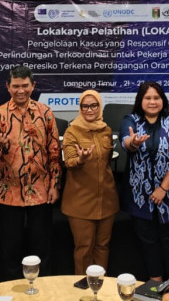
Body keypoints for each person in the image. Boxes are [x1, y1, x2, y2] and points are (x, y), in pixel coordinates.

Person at [0, 65, 62, 280]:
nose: (21, 90)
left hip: (40, 191)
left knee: (42, 247)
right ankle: (12, 289)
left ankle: (43, 289)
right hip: (9, 192)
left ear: (33, 86)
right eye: (16, 86)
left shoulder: (45, 112)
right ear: (8, 87)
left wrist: (55, 185)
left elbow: (54, 152)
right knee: (10, 248)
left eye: (25, 86)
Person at [119, 81, 169, 282]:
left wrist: (163, 188)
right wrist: (133, 142)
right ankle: (155, 283)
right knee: (148, 241)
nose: (152, 102)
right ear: (140, 101)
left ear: (162, 100)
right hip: (140, 196)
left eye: (156, 98)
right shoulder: (130, 120)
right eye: (147, 98)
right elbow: (125, 142)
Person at [61, 89, 120, 275]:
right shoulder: (72, 131)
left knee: (103, 247)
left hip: (107, 200)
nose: (89, 109)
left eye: (93, 105)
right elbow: (69, 161)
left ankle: (100, 286)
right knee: (84, 249)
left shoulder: (106, 130)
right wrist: (81, 160)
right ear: (80, 108)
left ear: (99, 106)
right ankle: (83, 286)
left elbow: (107, 161)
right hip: (80, 202)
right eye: (85, 106)